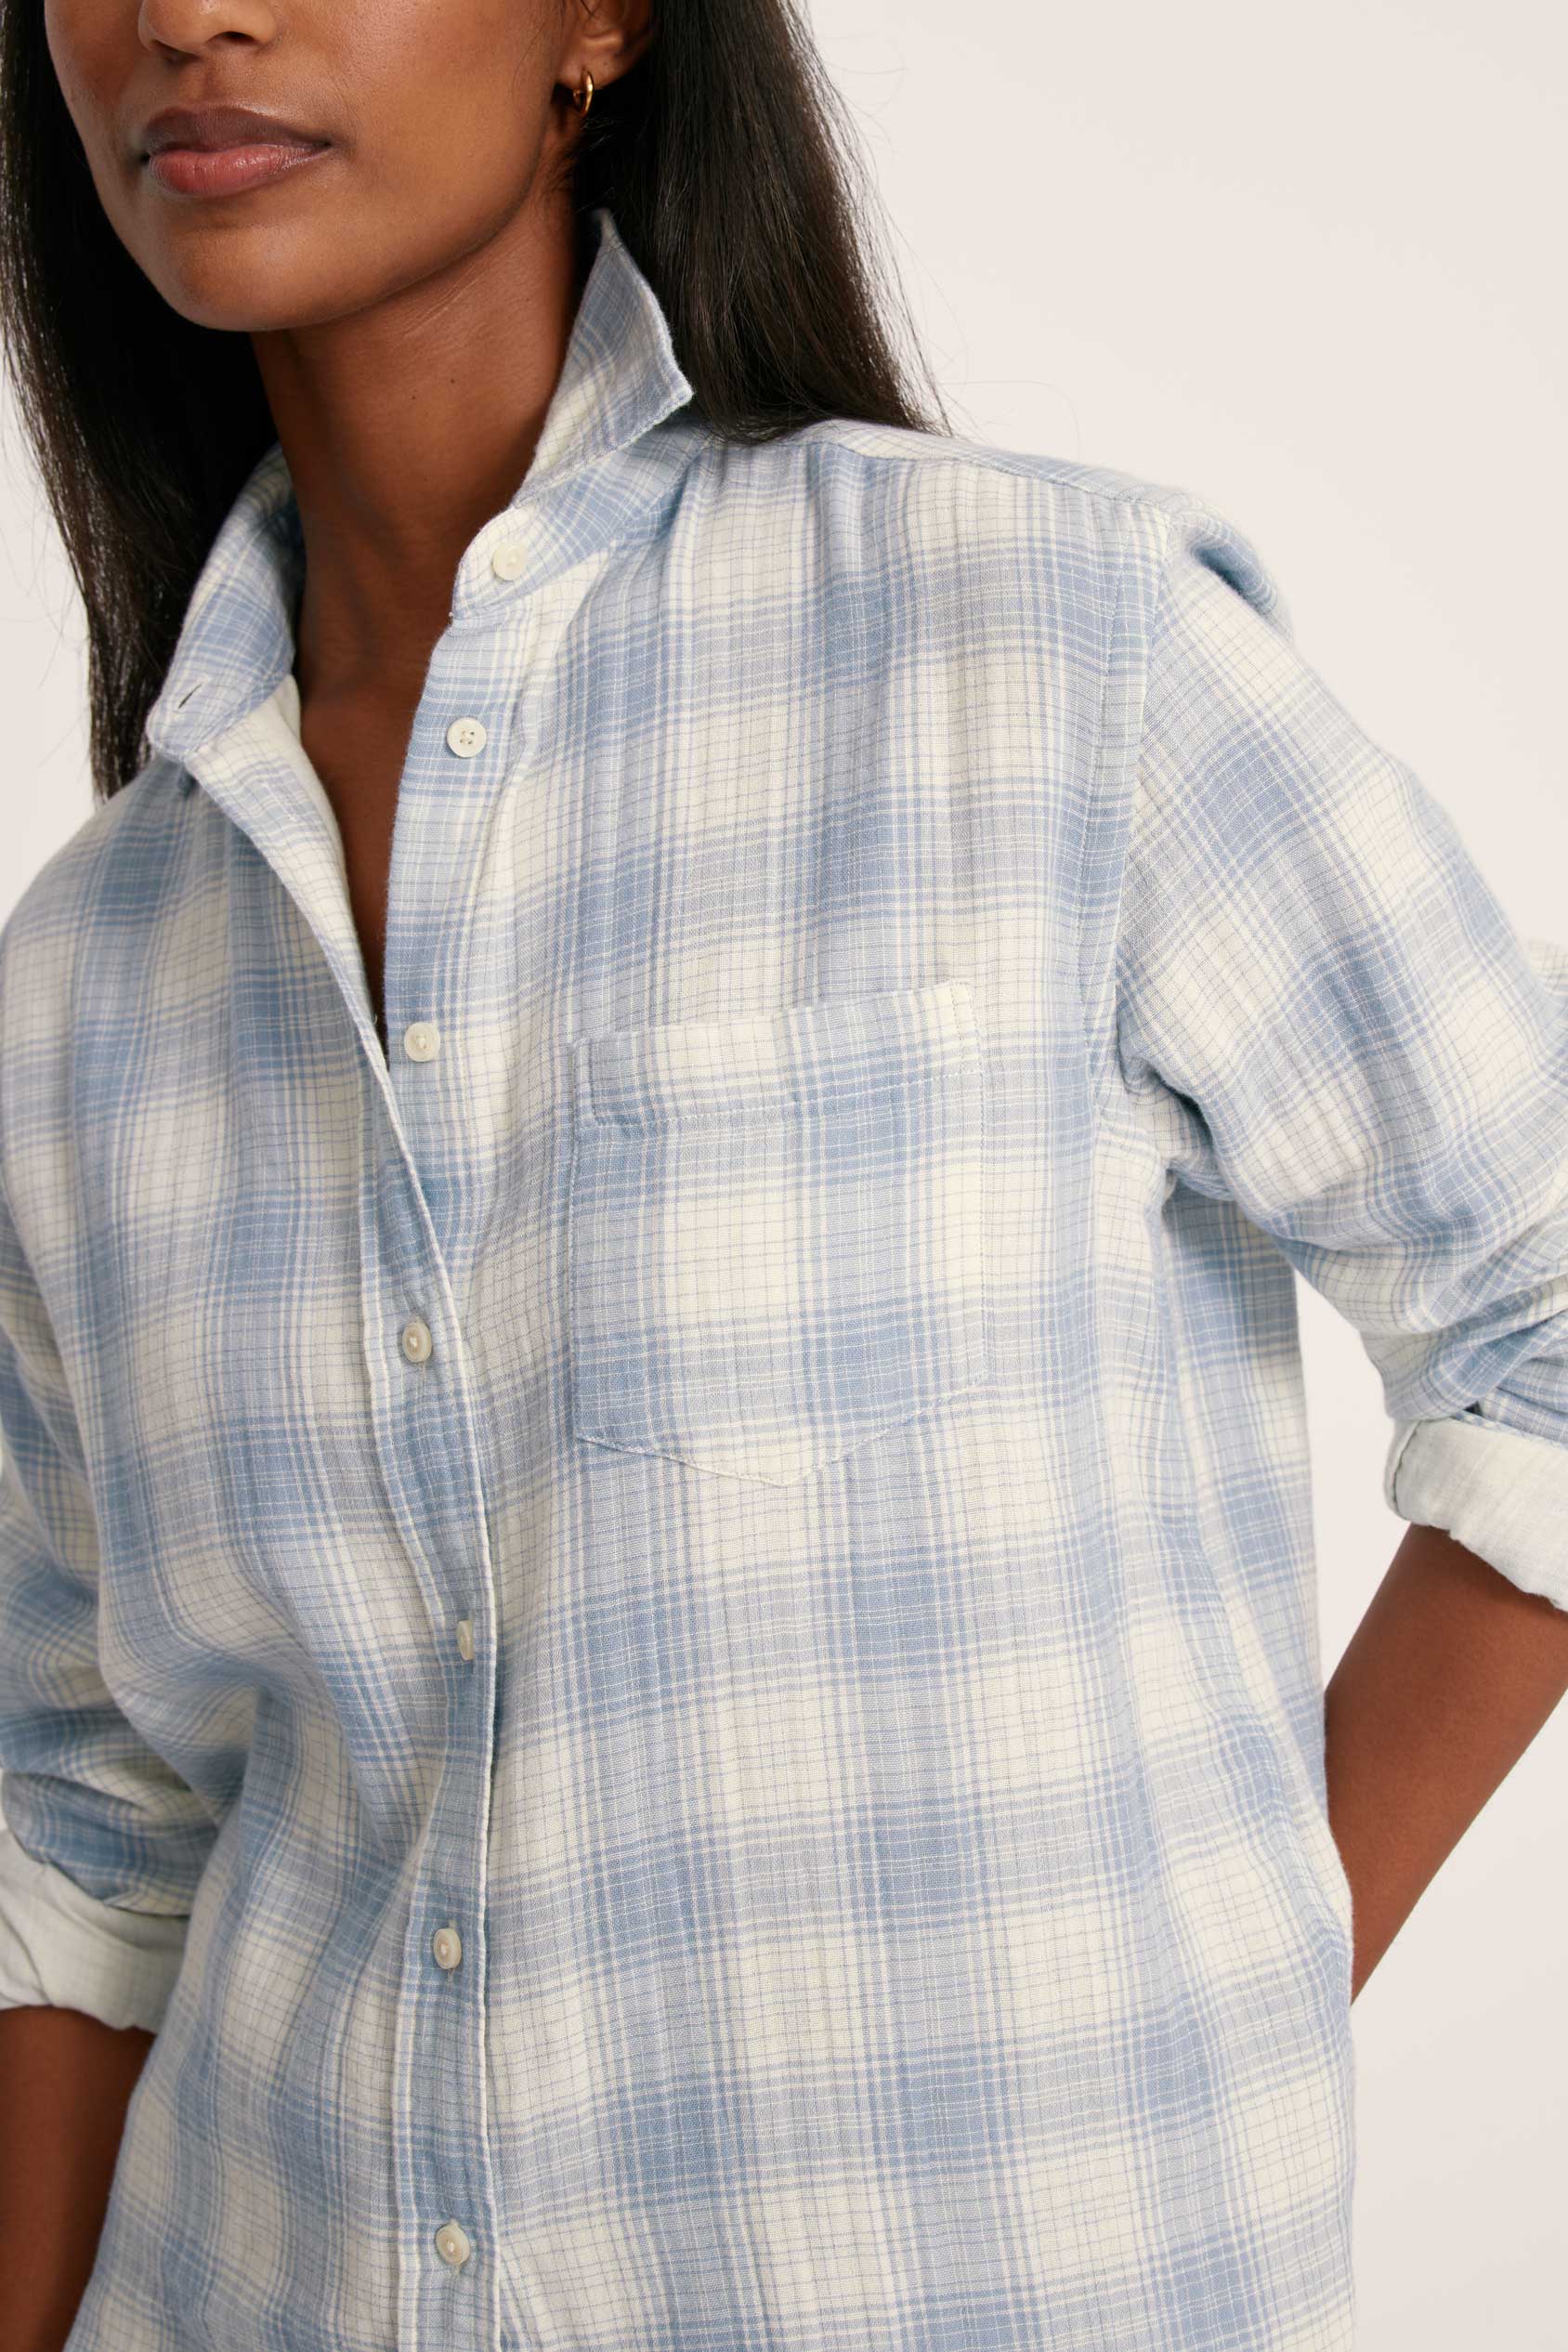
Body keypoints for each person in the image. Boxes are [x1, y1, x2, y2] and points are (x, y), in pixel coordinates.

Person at [2, 1, 1566, 2347]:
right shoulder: (87, 972)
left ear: (600, 23)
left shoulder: (1042, 652)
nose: (187, 13)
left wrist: (1237, 1979)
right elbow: (89, 1826)